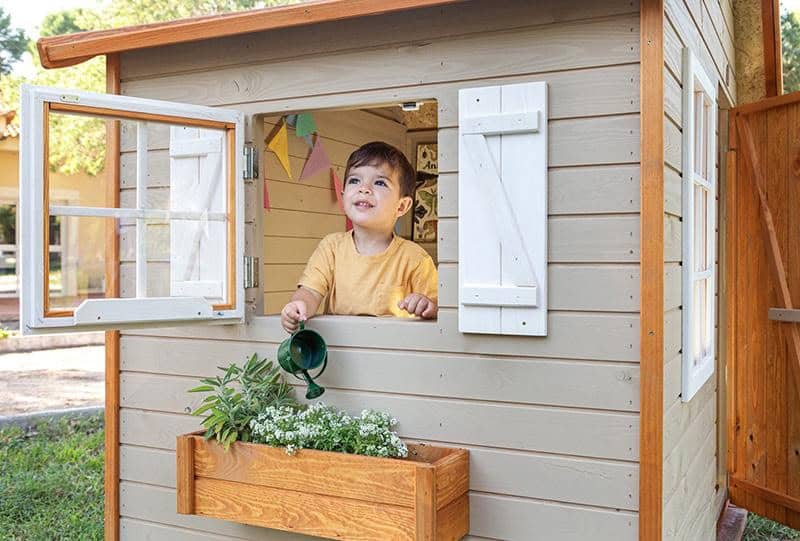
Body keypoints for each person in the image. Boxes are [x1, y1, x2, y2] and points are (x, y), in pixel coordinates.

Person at [280, 141, 438, 333]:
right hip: (339, 350)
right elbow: (311, 291)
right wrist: (298, 306)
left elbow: (438, 308)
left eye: (379, 182)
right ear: (343, 194)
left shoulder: (415, 259)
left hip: (393, 352)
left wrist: (426, 305)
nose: (364, 189)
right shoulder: (332, 247)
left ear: (402, 206)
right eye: (355, 180)